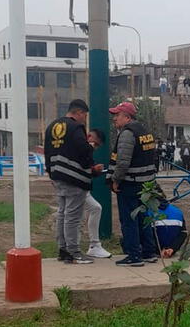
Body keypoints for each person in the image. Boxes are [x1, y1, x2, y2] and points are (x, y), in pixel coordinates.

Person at [44, 99, 103, 264]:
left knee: (62, 213)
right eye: (84, 115)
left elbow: (47, 152)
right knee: (73, 216)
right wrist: (91, 163)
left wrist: (51, 172)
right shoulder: (76, 127)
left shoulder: (52, 126)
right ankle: (74, 252)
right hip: (74, 178)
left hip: (57, 175)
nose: (85, 119)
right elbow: (83, 150)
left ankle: (63, 249)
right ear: (78, 112)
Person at [107, 101, 160, 267]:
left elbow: (123, 162)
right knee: (144, 218)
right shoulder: (145, 132)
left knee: (130, 220)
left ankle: (133, 256)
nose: (114, 118)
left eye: (117, 115)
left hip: (131, 184)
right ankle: (149, 252)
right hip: (146, 184)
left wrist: (115, 180)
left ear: (127, 117)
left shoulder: (127, 133)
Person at [79, 129, 112, 258]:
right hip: (77, 186)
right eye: (96, 144)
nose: (96, 147)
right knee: (77, 215)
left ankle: (91, 245)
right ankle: (90, 245)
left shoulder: (84, 147)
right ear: (90, 137)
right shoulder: (83, 146)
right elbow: (79, 165)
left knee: (93, 209)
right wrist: (93, 169)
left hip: (80, 186)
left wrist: (94, 171)